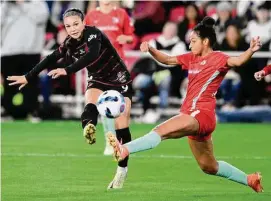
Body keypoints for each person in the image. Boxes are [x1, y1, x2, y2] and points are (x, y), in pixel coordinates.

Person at [107, 17, 263, 193]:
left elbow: (238, 61)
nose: (190, 45)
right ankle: (249, 180)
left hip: (201, 114)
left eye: (193, 41)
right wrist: (151, 49)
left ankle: (125, 149)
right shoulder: (191, 58)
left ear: (205, 41)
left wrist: (251, 50)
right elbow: (166, 60)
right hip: (194, 116)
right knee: (209, 166)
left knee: (160, 131)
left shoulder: (218, 58)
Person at [7, 8, 132, 189]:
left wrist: (68, 70)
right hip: (97, 79)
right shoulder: (69, 43)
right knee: (89, 102)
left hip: (119, 78)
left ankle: (122, 170)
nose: (72, 29)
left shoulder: (94, 34)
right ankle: (89, 127)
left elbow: (92, 55)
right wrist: (28, 76)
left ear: (83, 22)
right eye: (68, 26)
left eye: (76, 24)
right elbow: (50, 58)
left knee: (123, 123)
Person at [85, 0, 134, 155]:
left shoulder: (121, 14)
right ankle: (110, 141)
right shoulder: (91, 16)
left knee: (123, 110)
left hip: (118, 69)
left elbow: (131, 36)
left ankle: (124, 145)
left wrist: (125, 38)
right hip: (99, 68)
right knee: (104, 104)